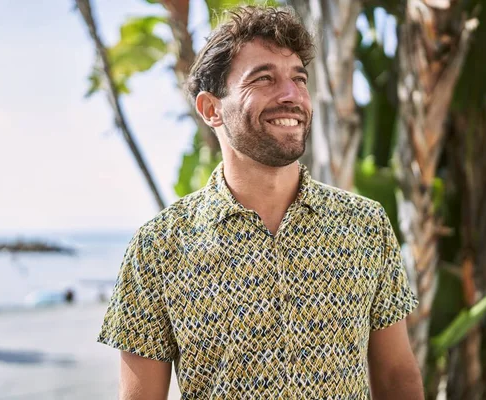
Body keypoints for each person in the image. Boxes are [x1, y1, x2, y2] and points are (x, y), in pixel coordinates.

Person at [98, 6, 423, 399]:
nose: (291, 95)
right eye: (264, 79)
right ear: (210, 109)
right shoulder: (158, 248)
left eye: (298, 79)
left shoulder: (366, 225)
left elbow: (397, 377)